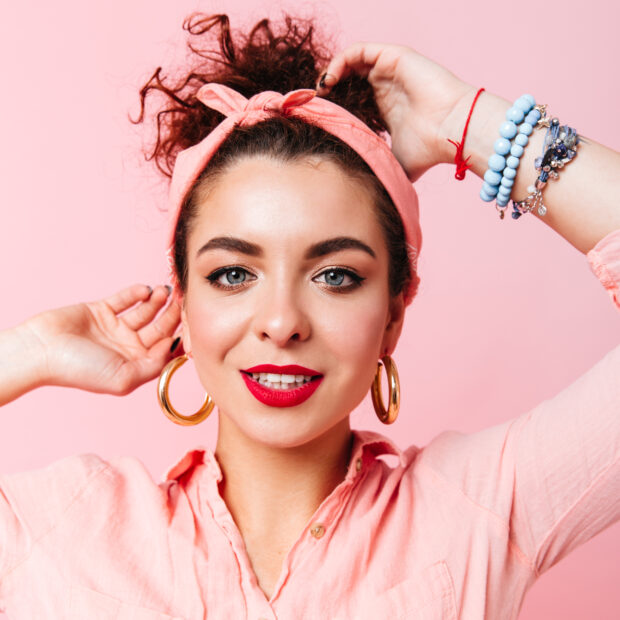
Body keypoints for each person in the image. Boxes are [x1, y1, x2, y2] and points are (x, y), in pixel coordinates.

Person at [0, 12, 618, 619]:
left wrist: (468, 122)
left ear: (395, 315)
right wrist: (28, 352)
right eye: (234, 274)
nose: (281, 321)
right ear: (183, 305)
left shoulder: (478, 509)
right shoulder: (60, 526)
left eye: (335, 276)